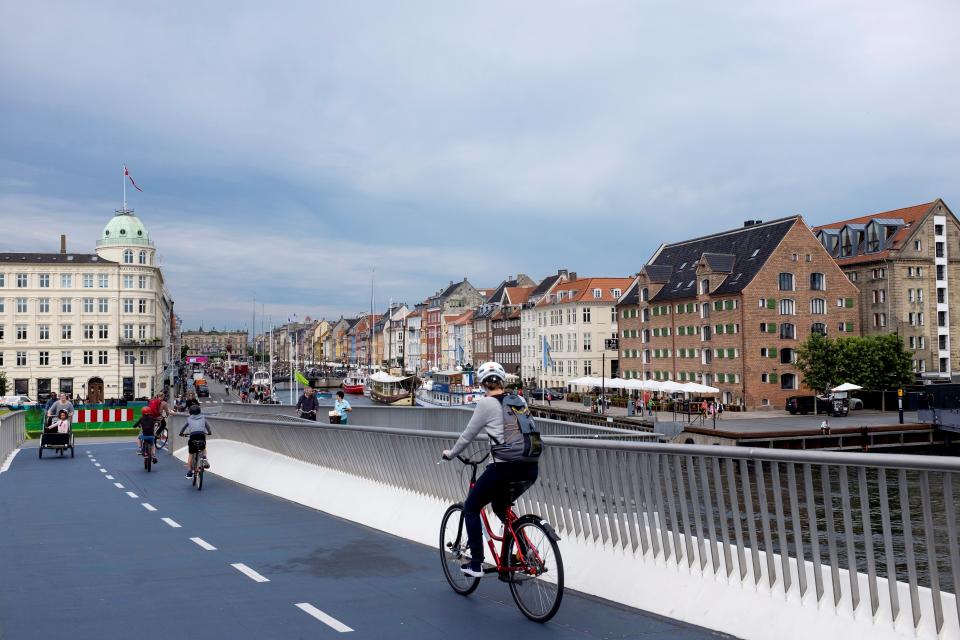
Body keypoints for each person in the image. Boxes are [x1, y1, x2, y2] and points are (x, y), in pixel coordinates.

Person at [441, 361, 539, 579]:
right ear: (502, 381)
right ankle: (522, 552)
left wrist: (451, 454)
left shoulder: (485, 404)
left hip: (504, 467)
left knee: (471, 507)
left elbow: (468, 435)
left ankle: (476, 563)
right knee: (500, 507)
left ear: (483, 384)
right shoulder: (519, 400)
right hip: (530, 467)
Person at [179, 404, 212, 478]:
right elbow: (208, 426)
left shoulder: (189, 418)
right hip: (201, 435)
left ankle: (189, 472)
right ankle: (204, 458)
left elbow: (183, 427)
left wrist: (181, 433)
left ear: (190, 412)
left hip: (193, 435)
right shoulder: (203, 417)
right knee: (203, 448)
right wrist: (209, 432)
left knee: (191, 454)